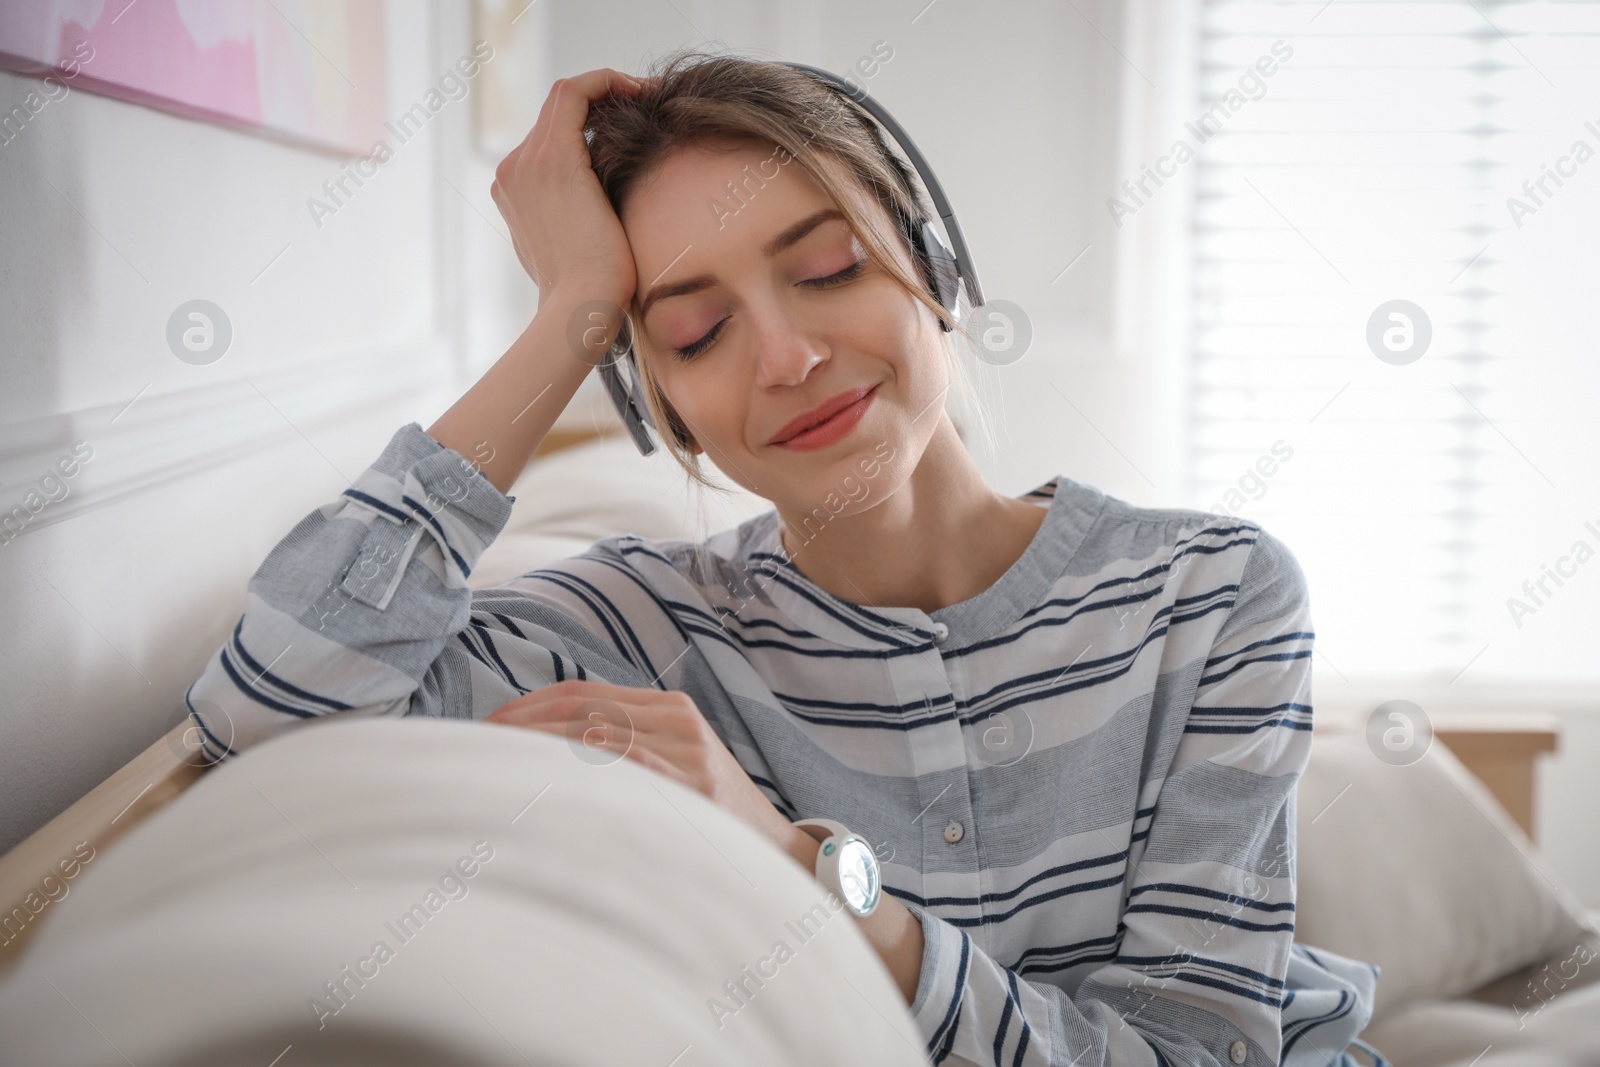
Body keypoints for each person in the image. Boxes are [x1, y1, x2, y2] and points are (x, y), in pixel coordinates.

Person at [184, 48, 1384, 1067]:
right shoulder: (635, 628)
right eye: (695, 333)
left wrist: (800, 866)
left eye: (826, 270)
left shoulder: (1211, 592)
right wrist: (570, 318)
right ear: (666, 410)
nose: (787, 357)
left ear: (933, 262)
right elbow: (272, 721)